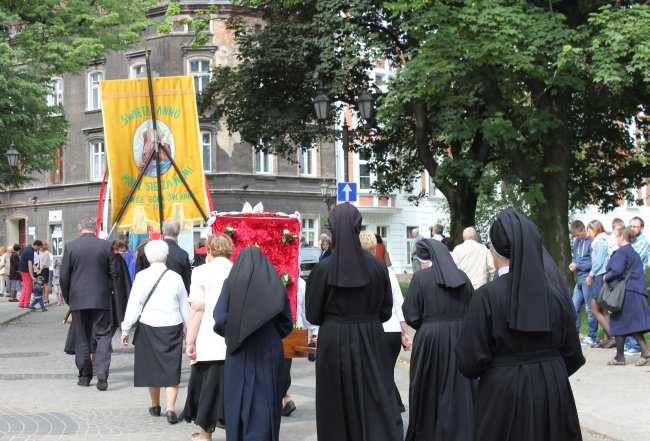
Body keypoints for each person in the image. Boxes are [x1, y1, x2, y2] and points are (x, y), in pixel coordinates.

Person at [456, 209, 585, 441]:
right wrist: (545, 371)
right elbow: (573, 353)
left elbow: (469, 361)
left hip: (504, 393)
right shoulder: (555, 294)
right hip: (552, 391)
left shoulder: (486, 297)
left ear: (493, 247)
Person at [306, 203, 403, 441]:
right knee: (374, 396)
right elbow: (386, 310)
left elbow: (313, 314)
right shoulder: (378, 267)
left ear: (333, 229)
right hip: (371, 336)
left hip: (333, 339)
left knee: (335, 401)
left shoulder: (322, 269)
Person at [213, 246, 293, 441]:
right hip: (268, 345)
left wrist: (232, 334)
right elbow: (286, 323)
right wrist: (271, 335)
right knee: (266, 397)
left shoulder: (231, 283)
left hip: (238, 346)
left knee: (237, 397)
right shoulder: (275, 284)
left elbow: (220, 318)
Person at [403, 239, 476, 441]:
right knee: (459, 389)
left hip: (430, 340)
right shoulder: (462, 277)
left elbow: (411, 314)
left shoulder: (420, 278)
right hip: (460, 337)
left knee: (428, 388)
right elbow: (472, 309)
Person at [121, 240, 189, 424]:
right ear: (166, 257)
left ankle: (155, 405)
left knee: (152, 366)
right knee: (171, 368)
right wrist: (190, 330)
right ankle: (171, 409)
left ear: (148, 258)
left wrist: (125, 328)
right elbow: (185, 306)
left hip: (148, 325)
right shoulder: (175, 277)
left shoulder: (142, 277)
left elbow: (134, 304)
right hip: (172, 326)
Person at [180, 234, 234, 440]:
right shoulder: (236, 270)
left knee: (206, 388)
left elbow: (197, 308)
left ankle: (205, 434)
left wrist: (190, 340)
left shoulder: (201, 272)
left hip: (208, 337)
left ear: (209, 250)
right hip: (231, 338)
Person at [60, 217, 117, 390]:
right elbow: (114, 273)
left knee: (82, 337)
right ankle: (102, 370)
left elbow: (64, 276)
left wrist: (68, 297)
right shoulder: (106, 245)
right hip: (100, 298)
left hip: (78, 298)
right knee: (103, 335)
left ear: (79, 227)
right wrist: (107, 290)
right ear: (96, 228)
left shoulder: (71, 246)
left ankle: (85, 376)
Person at [359, 231, 411, 413]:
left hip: (372, 328)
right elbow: (398, 304)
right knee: (386, 372)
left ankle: (388, 409)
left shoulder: (358, 271)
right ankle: (392, 407)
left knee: (375, 374)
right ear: (375, 248)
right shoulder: (387, 271)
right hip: (392, 330)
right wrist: (405, 332)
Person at [603, 227, 650, 366]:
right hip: (635, 291)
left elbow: (617, 271)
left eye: (617, 236)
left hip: (626, 292)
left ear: (622, 237)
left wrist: (607, 276)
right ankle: (628, 354)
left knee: (620, 321)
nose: (616, 239)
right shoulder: (633, 253)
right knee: (627, 323)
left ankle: (621, 357)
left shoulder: (622, 252)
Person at [136, 219, 191, 292]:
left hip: (150, 296)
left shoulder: (146, 250)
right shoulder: (183, 255)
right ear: (178, 233)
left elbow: (138, 280)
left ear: (163, 231)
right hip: (174, 295)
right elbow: (187, 283)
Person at [586, 220, 613, 348]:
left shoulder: (600, 242)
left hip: (598, 276)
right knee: (603, 310)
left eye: (589, 230)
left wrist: (591, 274)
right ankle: (607, 338)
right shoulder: (601, 241)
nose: (588, 233)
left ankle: (612, 336)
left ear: (595, 230)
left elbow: (597, 263)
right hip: (601, 276)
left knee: (594, 309)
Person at [568, 220, 595, 346]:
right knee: (574, 307)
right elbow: (575, 257)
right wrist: (573, 264)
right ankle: (574, 334)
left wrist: (577, 265)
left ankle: (592, 336)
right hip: (579, 279)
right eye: (575, 236)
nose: (577, 237)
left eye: (578, 235)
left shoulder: (592, 242)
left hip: (587, 279)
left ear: (583, 230)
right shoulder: (577, 242)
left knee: (590, 309)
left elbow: (593, 263)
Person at [625, 216, 650, 355]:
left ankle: (635, 346)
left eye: (635, 226)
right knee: (627, 313)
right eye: (630, 226)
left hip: (636, 283)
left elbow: (631, 260)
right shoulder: (629, 242)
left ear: (641, 228)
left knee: (635, 315)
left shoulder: (642, 243)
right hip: (627, 283)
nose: (632, 228)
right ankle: (630, 344)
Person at [18, 239, 42, 308]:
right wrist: (32, 276)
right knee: (29, 287)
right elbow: (29, 263)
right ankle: (26, 304)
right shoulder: (30, 251)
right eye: (39, 247)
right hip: (26, 271)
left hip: (22, 270)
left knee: (25, 287)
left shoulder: (27, 248)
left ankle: (21, 302)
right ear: (36, 245)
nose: (39, 249)